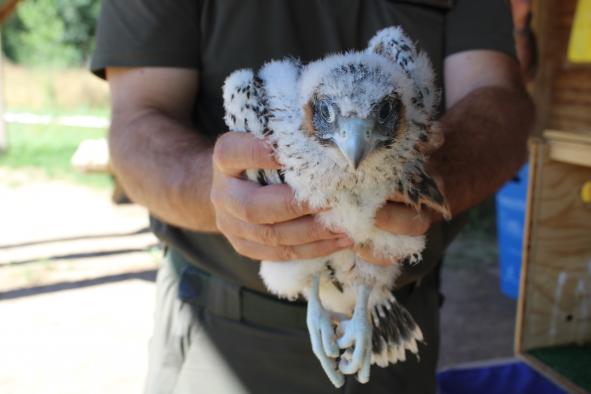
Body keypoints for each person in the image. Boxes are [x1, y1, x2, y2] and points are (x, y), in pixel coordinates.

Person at [91, 1, 534, 393]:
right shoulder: (263, 93)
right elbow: (136, 120)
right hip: (222, 325)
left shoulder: (395, 60)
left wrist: (423, 169)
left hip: (395, 315)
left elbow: (497, 94)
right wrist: (227, 195)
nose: (352, 144)